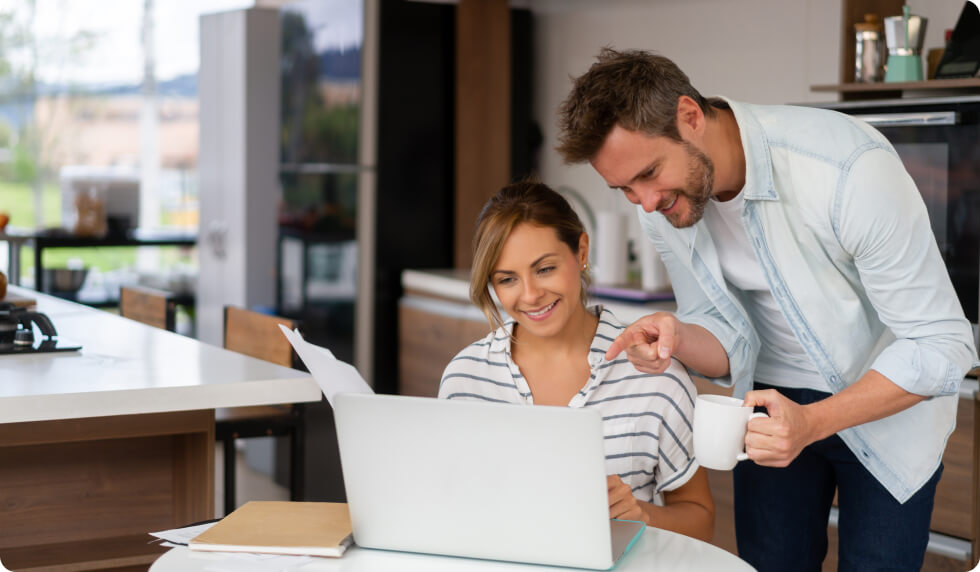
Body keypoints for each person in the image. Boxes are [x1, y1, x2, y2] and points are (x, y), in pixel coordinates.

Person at [554, 47, 978, 571]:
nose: (643, 202)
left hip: (885, 404)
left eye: (650, 173)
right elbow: (723, 333)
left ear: (690, 117)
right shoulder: (661, 210)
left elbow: (942, 344)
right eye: (624, 190)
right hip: (768, 408)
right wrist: (678, 335)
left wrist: (813, 421)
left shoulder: (845, 169)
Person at [438, 180, 714, 542]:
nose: (531, 295)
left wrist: (641, 514)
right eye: (507, 279)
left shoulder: (655, 378)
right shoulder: (465, 378)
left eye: (545, 269)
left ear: (581, 251)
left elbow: (702, 521)